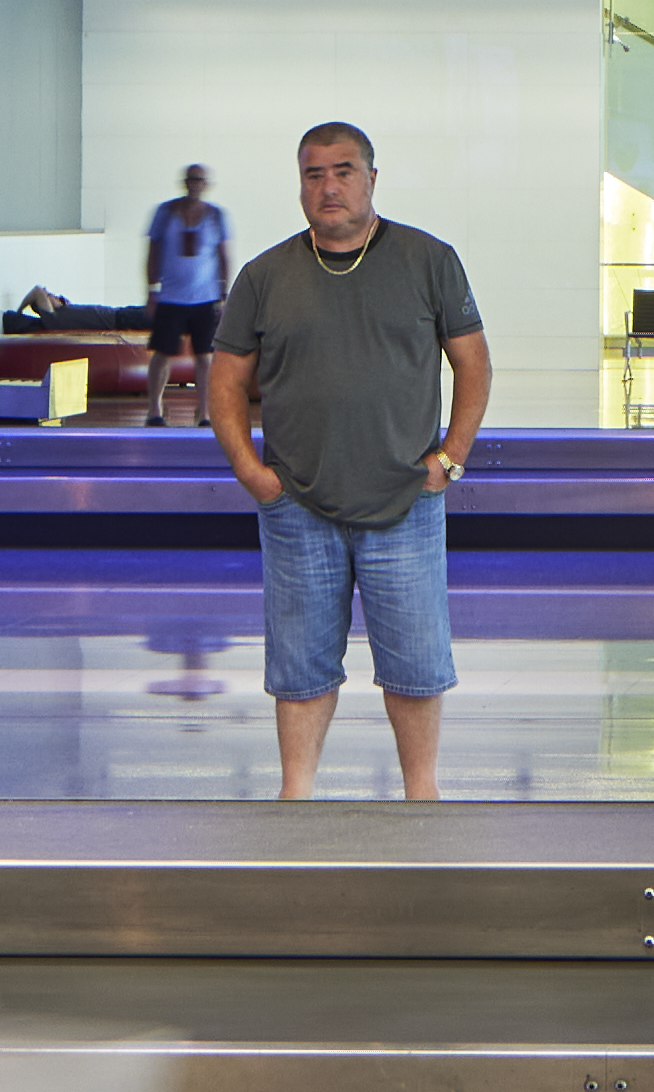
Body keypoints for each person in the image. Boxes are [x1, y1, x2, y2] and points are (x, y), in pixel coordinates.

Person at [218, 121, 490, 797]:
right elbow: (224, 382)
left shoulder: (429, 261)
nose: (328, 186)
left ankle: (421, 794)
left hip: (405, 502)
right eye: (313, 175)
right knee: (300, 668)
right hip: (298, 507)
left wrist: (450, 460)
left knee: (416, 665)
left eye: (343, 171)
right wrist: (252, 474)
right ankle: (296, 796)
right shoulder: (265, 276)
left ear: (371, 178)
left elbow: (473, 363)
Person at [141, 159, 233, 429]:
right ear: (185, 183)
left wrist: (223, 294)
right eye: (191, 180)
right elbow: (153, 251)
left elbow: (223, 255)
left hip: (204, 297)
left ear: (206, 185)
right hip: (170, 296)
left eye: (199, 180)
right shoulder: (165, 212)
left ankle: (204, 411)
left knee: (205, 357)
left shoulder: (216, 216)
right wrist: (151, 290)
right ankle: (154, 409)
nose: (195, 185)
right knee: (162, 354)